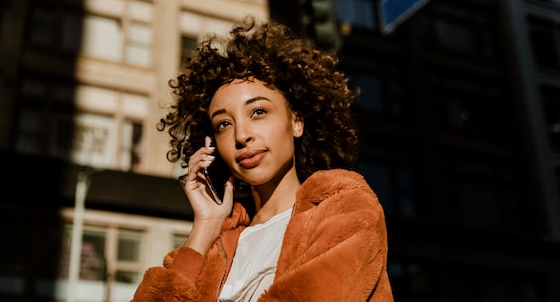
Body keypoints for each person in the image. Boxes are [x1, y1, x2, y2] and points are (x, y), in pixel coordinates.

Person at [131, 16, 393, 302]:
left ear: (296, 122)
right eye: (223, 124)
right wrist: (205, 226)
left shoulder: (345, 208)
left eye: (258, 112)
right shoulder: (217, 243)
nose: (241, 135)